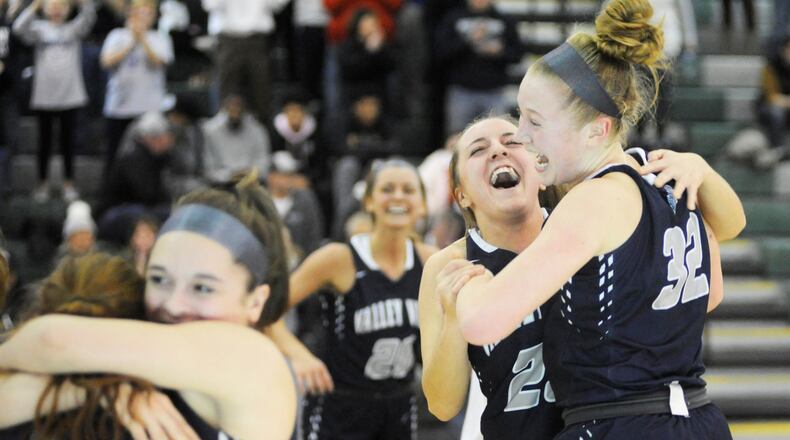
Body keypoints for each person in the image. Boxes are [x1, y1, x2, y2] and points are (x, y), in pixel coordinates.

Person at [451, 0, 746, 438]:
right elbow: (710, 292)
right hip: (698, 419)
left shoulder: (592, 201)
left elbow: (481, 322)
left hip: (619, 423)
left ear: (597, 130)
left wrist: (470, 280)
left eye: (534, 122)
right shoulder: (669, 175)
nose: (523, 137)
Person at [420, 115, 746, 439]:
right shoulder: (449, 266)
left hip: (611, 424)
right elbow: (442, 405)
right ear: (461, 194)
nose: (497, 152)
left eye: (512, 142)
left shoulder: (591, 222)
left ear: (541, 172)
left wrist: (700, 168)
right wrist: (452, 319)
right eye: (478, 150)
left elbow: (720, 251)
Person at [0, 172, 297, 439]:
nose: (173, 304)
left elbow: (53, 340)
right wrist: (93, 391)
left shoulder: (256, 362)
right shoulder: (141, 363)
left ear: (256, 301)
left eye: (202, 288)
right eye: (159, 279)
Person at [267, 158, 436, 439]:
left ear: (422, 204)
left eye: (408, 190)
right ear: (369, 201)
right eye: (387, 189)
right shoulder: (338, 258)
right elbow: (266, 311)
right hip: (340, 405)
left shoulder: (432, 260)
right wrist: (299, 355)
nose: (398, 196)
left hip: (400, 406)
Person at [13, 0, 96, 202]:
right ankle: (42, 184)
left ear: (68, 9)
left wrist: (81, 3)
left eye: (62, 5)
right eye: (53, 5)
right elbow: (18, 28)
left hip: (70, 95)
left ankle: (69, 184)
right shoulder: (39, 29)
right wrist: (35, 6)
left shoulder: (72, 29)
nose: (57, 9)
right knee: (45, 143)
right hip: (44, 96)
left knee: (68, 143)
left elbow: (89, 17)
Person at [101, 0, 174, 171]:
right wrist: (132, 42)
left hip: (149, 107)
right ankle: (112, 194)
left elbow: (159, 62)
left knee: (149, 156)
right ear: (131, 15)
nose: (142, 17)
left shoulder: (160, 38)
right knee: (115, 154)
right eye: (139, 12)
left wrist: (143, 40)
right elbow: (106, 62)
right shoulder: (116, 36)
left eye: (147, 13)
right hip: (119, 106)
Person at [202, 94, 272, 184]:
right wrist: (231, 175)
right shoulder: (210, 130)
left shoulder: (257, 130)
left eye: (238, 109)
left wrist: (250, 173)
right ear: (224, 110)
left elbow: (263, 161)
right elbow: (208, 168)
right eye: (231, 109)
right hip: (221, 184)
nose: (235, 112)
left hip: (252, 182)